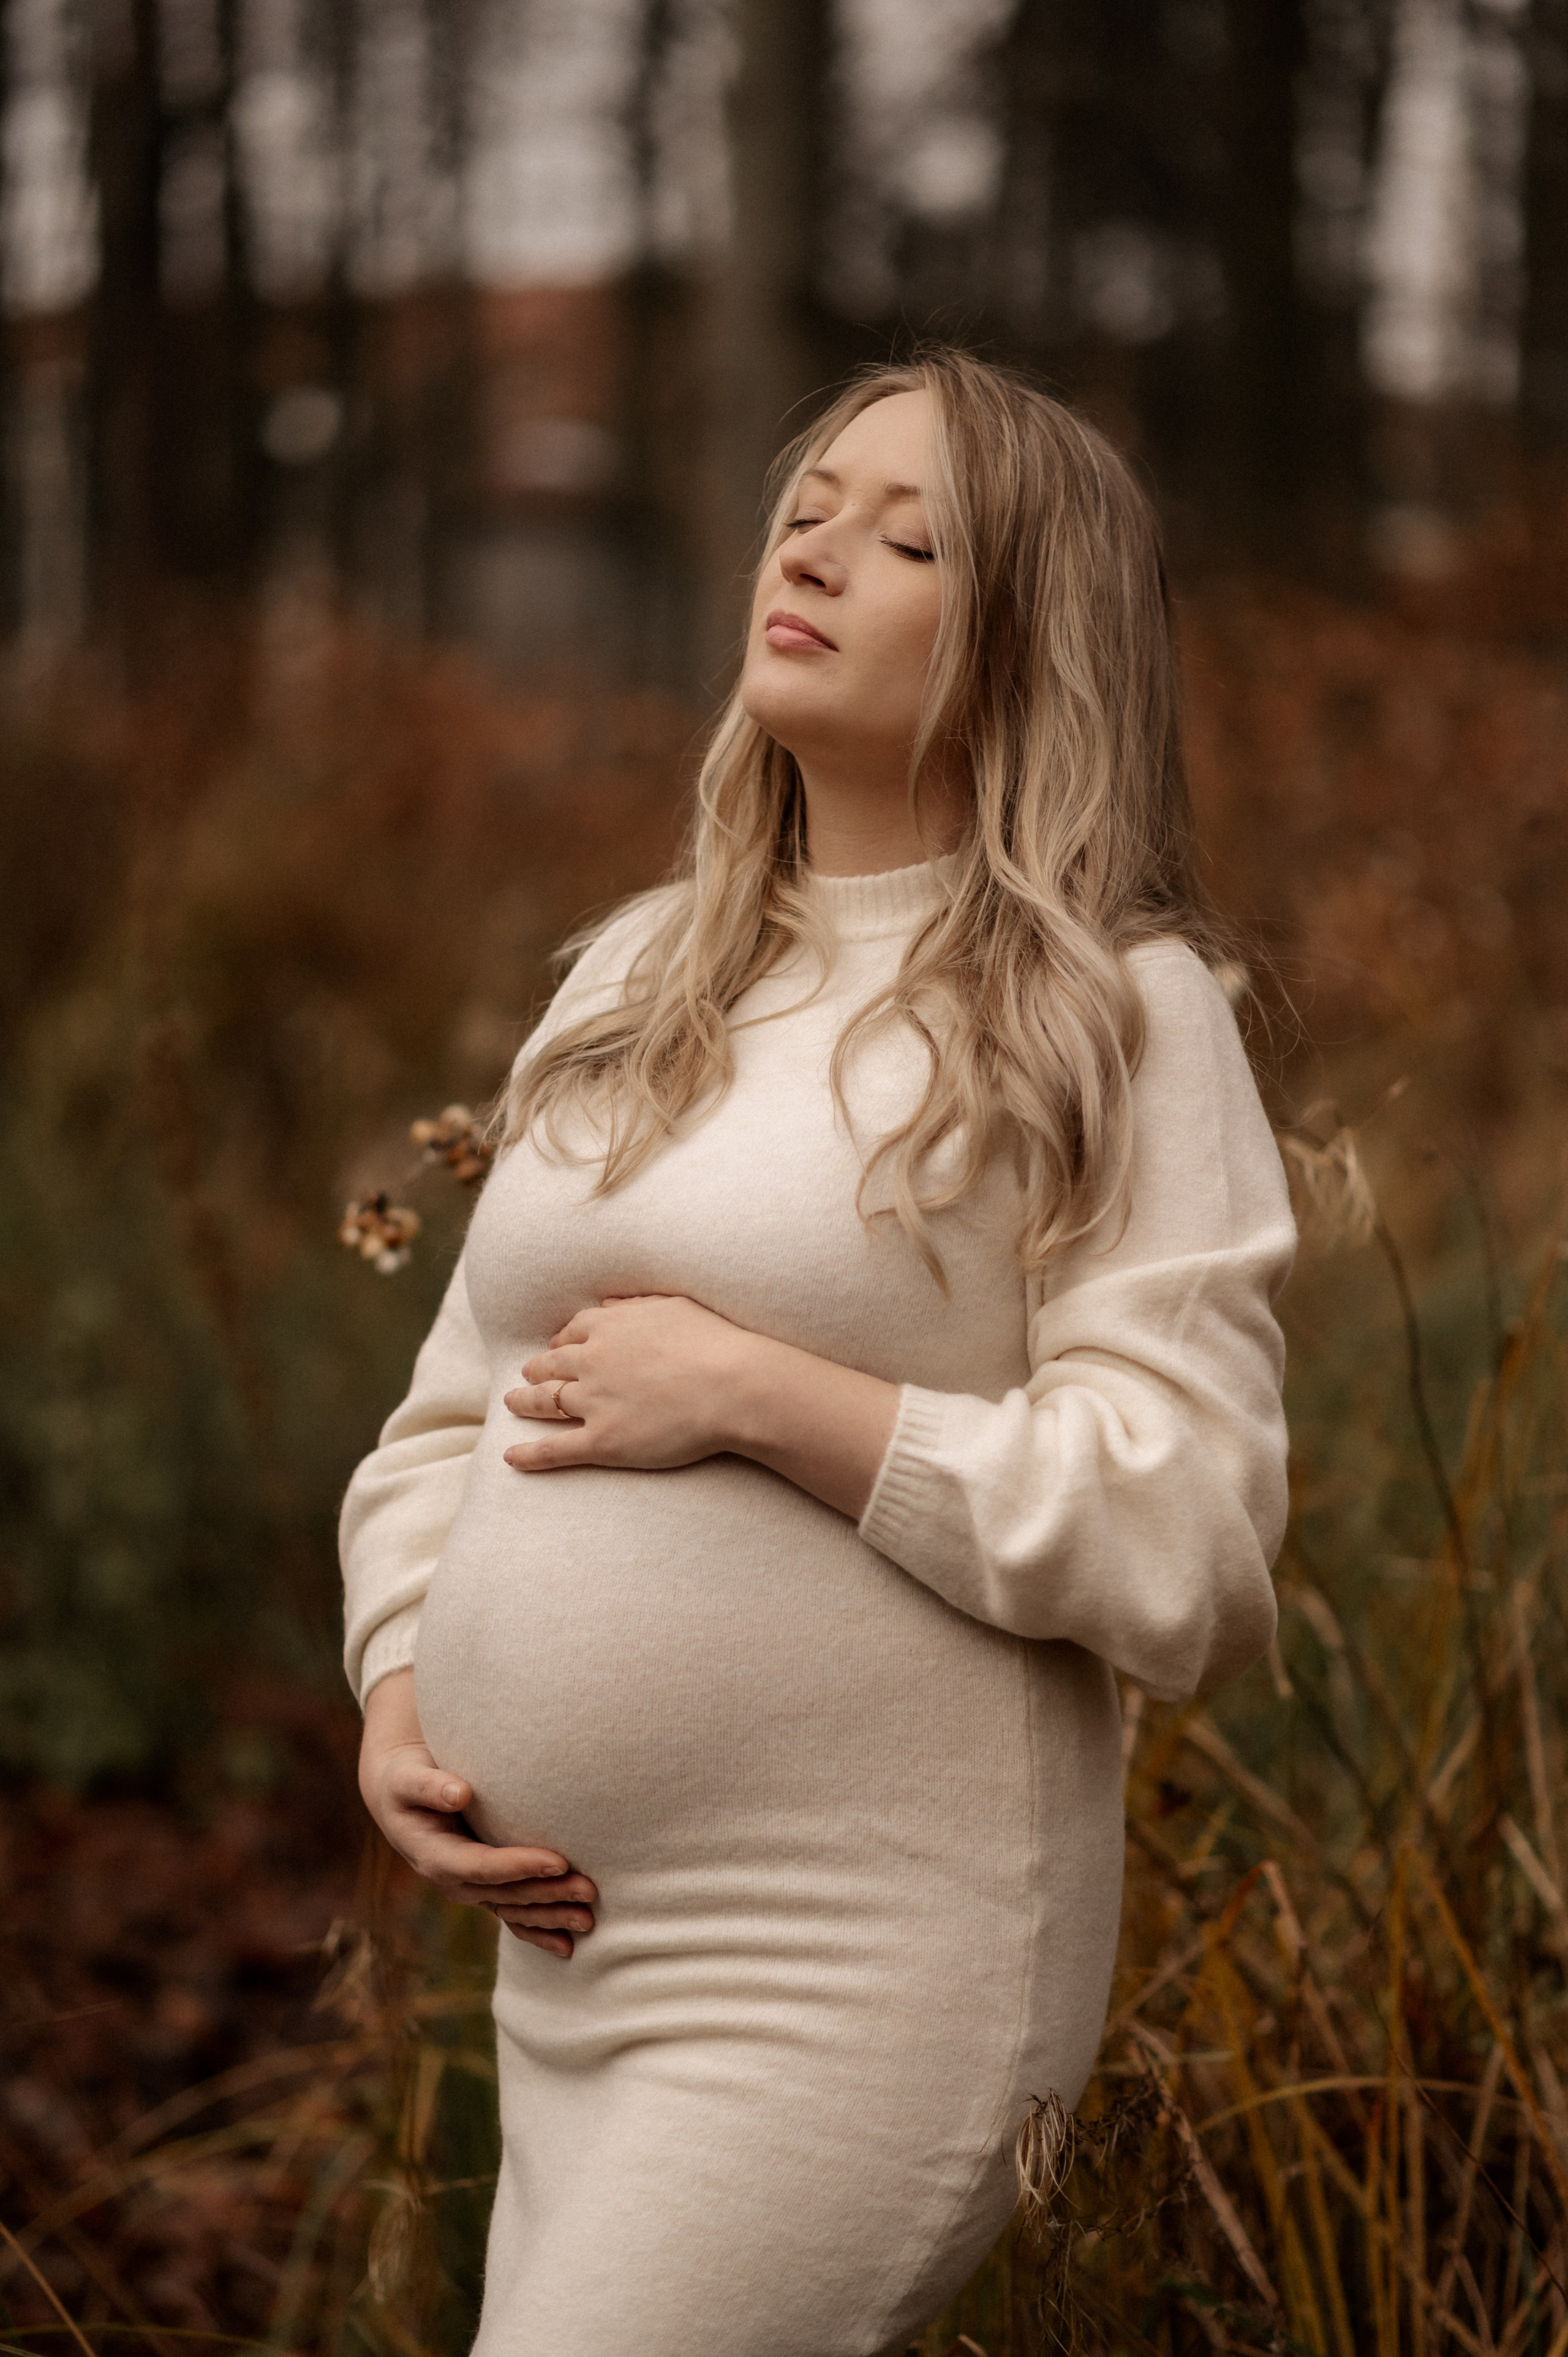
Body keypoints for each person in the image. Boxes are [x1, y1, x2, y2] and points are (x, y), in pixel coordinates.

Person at [341, 349, 1294, 2356]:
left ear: (1033, 634)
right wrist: (401, 1684)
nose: (821, 543)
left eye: (914, 532)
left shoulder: (1115, 1007)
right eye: (812, 504)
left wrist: (772, 1402)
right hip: (572, 1968)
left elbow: (1191, 1535)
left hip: (858, 1969)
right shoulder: (642, 966)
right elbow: (450, 1409)